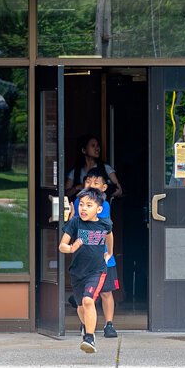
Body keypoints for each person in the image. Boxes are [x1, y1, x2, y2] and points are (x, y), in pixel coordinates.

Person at [60, 188, 113, 354]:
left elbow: (109, 236)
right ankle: (86, 324)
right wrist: (71, 248)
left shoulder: (105, 223)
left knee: (88, 301)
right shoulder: (75, 222)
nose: (83, 208)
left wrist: (109, 253)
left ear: (98, 209)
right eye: (81, 204)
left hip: (96, 271)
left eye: (89, 205)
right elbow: (62, 245)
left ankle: (89, 338)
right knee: (81, 307)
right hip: (77, 273)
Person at [70, 168, 120, 339]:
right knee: (85, 297)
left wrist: (110, 253)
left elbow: (104, 229)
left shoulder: (102, 206)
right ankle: (86, 325)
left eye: (95, 183)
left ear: (104, 188)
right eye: (88, 182)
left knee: (106, 292)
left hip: (103, 257)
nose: (91, 185)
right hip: (84, 257)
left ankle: (109, 324)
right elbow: (75, 223)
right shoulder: (79, 202)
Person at [66, 134, 124, 200]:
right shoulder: (75, 171)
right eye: (93, 146)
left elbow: (119, 191)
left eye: (98, 145)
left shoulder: (106, 168)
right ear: (84, 150)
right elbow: (65, 194)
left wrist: (101, 192)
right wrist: (79, 187)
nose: (97, 148)